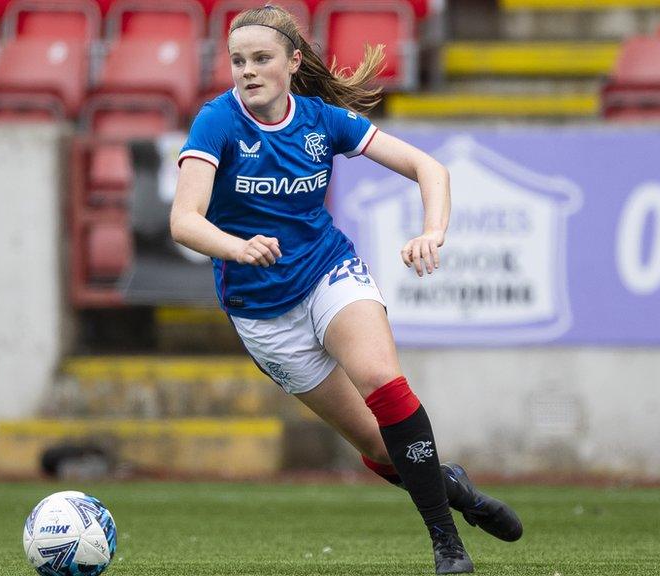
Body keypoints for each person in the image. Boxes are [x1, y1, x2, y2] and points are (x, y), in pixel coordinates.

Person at [169, 5, 522, 573]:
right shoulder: (217, 122)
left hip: (328, 273)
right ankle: (458, 493)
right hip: (262, 315)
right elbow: (184, 219)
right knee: (381, 449)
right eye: (238, 61)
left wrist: (433, 231)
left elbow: (430, 168)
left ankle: (447, 545)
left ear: (293, 61)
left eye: (261, 58)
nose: (247, 71)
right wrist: (237, 247)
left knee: (385, 383)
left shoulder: (322, 120)